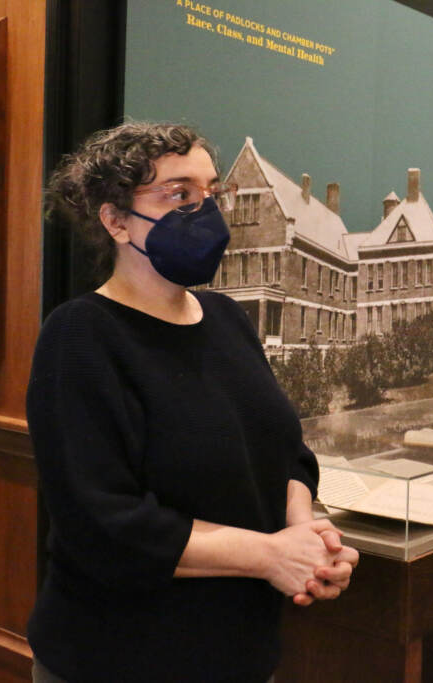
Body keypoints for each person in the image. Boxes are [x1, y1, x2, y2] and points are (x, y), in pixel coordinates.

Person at [27, 121, 358, 682]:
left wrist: (306, 533)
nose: (205, 213)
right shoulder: (80, 336)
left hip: (241, 653)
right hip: (120, 659)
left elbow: (286, 452)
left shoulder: (227, 318)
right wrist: (271, 556)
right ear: (115, 221)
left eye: (210, 193)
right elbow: (103, 524)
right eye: (179, 194)